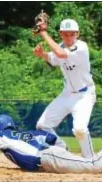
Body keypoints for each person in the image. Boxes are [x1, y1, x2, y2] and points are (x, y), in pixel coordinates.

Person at [33, 18, 96, 158]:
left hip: (84, 95)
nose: (69, 37)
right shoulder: (61, 46)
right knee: (42, 126)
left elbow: (60, 54)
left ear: (77, 34)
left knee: (79, 130)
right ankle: (62, 147)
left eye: (72, 34)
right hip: (67, 94)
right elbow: (54, 58)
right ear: (61, 34)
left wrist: (43, 32)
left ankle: (91, 160)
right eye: (65, 34)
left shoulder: (81, 47)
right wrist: (42, 54)